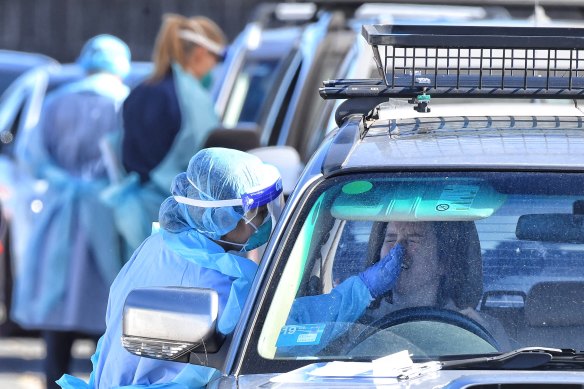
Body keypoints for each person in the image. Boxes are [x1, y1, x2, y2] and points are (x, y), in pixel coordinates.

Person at [57, 147, 285, 389]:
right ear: (223, 217)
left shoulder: (160, 244)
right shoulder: (218, 281)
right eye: (257, 214)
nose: (262, 222)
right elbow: (272, 335)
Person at [8, 35, 131, 389]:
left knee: (56, 317)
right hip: (107, 215)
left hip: (59, 215)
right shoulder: (123, 103)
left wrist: (62, 180)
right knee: (107, 318)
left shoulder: (56, 101)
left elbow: (31, 157)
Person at [102, 14, 227, 257]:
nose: (214, 68)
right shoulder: (190, 100)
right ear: (201, 53)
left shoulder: (139, 92)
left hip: (132, 219)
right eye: (216, 58)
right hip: (179, 226)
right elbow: (210, 159)